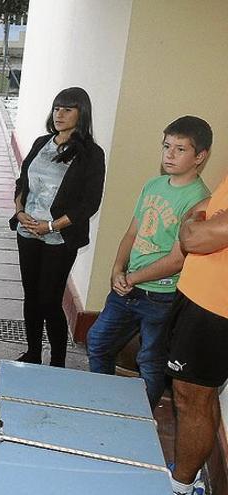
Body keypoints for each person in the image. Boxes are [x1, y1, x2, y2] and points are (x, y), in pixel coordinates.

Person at [86, 116, 211, 408]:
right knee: (98, 341)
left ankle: (140, 418)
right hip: (128, 287)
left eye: (180, 149)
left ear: (200, 156)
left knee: (150, 362)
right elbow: (132, 233)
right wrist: (118, 269)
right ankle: (102, 405)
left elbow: (177, 260)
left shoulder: (199, 199)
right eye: (167, 146)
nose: (169, 154)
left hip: (161, 296)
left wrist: (133, 278)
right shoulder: (153, 185)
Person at [10, 87, 105, 368]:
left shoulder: (91, 154)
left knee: (50, 299)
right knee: (31, 295)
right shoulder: (42, 143)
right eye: (56, 108)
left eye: (67, 109)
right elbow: (22, 183)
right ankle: (33, 353)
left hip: (59, 237)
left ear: (81, 113)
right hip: (27, 231)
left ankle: (58, 361)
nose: (59, 114)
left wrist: (51, 225)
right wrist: (20, 212)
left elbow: (89, 203)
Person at [166, 164, 228, 495]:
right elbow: (200, 208)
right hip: (198, 295)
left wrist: (194, 226)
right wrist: (196, 222)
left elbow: (194, 235)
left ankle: (181, 487)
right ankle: (188, 476)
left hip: (217, 308)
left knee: (192, 398)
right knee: (197, 395)